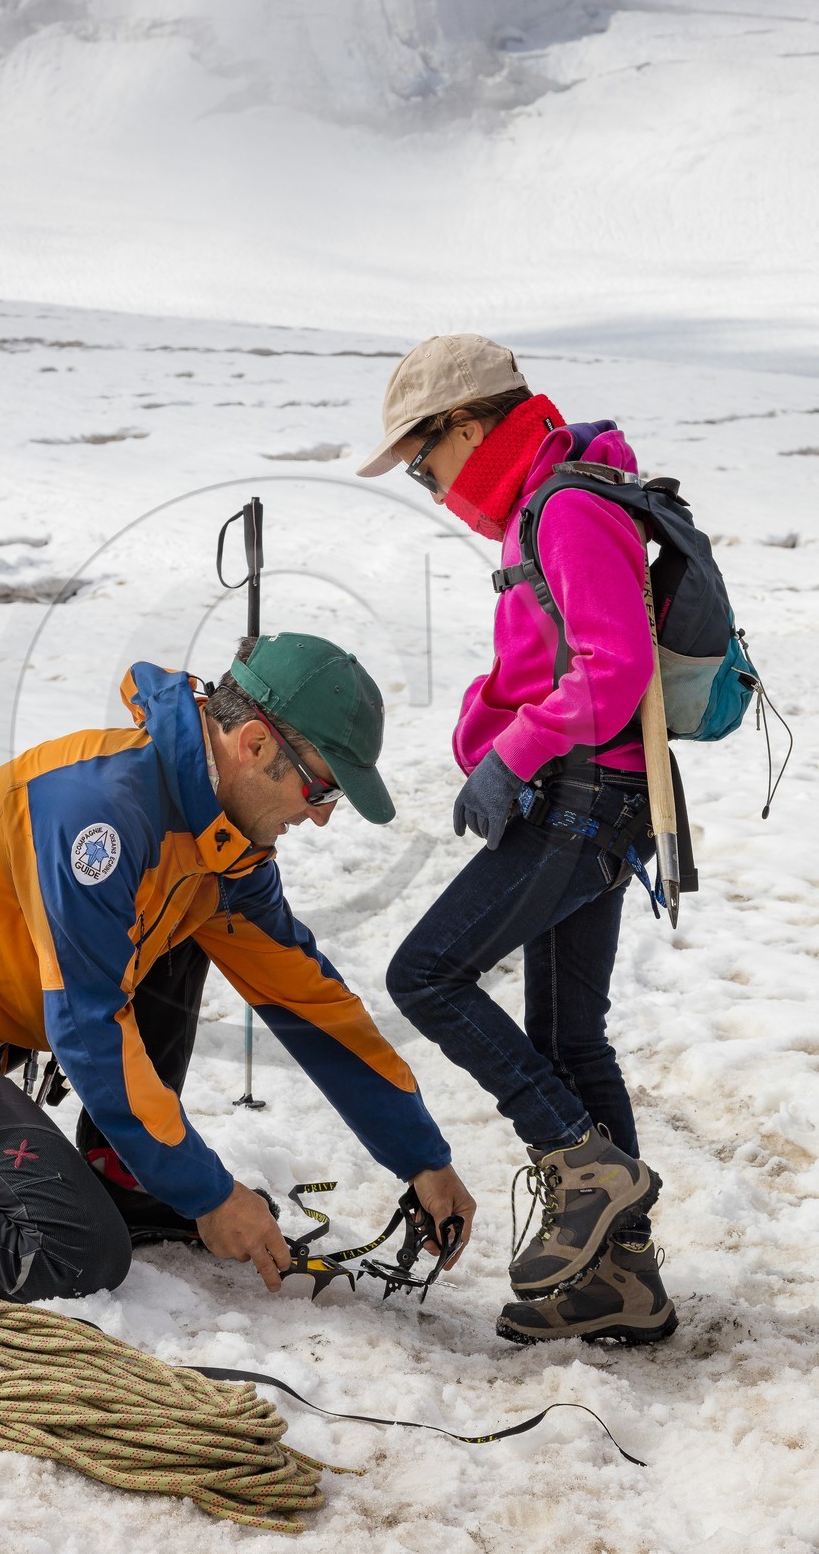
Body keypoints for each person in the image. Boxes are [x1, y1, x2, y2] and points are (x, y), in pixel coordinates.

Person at [0, 633, 474, 1301]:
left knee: (195, 926)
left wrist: (423, 1159)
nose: (321, 816)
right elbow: (90, 1027)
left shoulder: (222, 842)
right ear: (256, 744)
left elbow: (307, 998)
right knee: (71, 1250)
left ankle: (125, 1173)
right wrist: (208, 1194)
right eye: (322, 790)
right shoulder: (97, 811)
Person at [358, 335, 676, 1345]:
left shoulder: (566, 507)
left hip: (584, 800)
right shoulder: (552, 506)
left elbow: (612, 670)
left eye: (423, 454)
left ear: (470, 424)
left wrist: (515, 752)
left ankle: (584, 1168)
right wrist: (487, 732)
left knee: (427, 975)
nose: (425, 478)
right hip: (596, 798)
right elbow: (554, 664)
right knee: (567, 1039)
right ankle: (619, 1283)